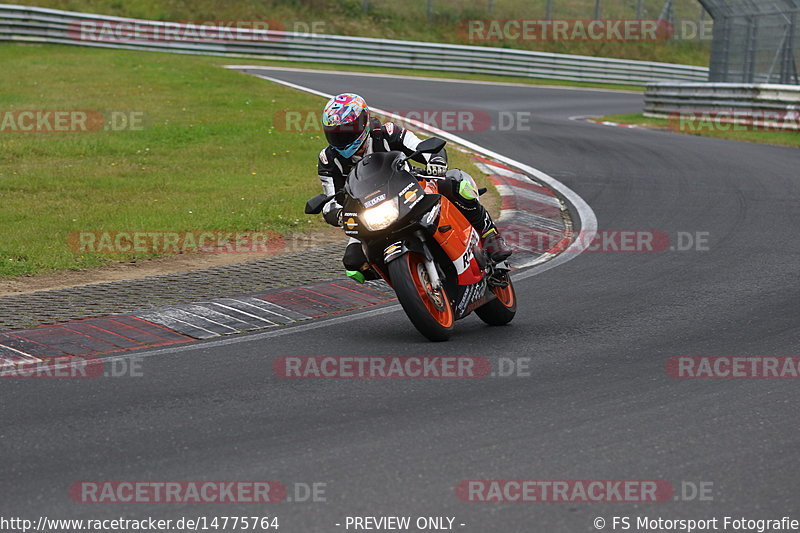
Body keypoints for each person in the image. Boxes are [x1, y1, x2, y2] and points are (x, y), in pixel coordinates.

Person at [317, 93, 511, 283]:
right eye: (335, 133)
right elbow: (330, 200)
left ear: (364, 121)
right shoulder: (328, 160)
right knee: (353, 264)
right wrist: (338, 214)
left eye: (347, 130)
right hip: (370, 214)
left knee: (456, 183)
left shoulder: (388, 132)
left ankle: (490, 235)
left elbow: (420, 146)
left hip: (410, 190)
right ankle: (409, 278)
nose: (342, 139)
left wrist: (435, 161)